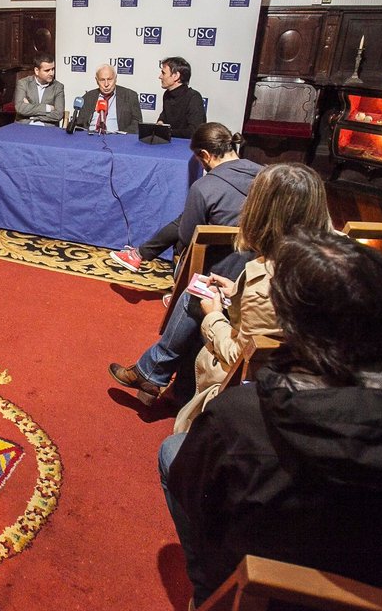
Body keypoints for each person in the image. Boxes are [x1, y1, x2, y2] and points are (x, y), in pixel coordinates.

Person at [159, 231, 382, 608]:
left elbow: (192, 489)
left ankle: (211, 600)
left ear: (291, 327)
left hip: (271, 608)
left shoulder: (240, 416)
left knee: (174, 451)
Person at [109, 163, 329, 406]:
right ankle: (160, 378)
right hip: (316, 364)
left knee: (197, 306)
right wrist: (235, 291)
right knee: (196, 296)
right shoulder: (329, 252)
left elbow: (242, 357)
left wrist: (214, 317)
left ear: (261, 213)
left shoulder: (268, 282)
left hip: (271, 382)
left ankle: (156, 376)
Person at [110, 123, 261, 273]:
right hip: (263, 265)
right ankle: (140, 254)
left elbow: (188, 238)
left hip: (218, 269)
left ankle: (181, 290)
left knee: (182, 235)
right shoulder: (268, 176)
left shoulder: (204, 187)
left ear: (205, 155)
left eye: (199, 161)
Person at [75, 64, 141, 134]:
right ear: (97, 81)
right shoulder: (88, 97)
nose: (106, 84)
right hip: (90, 137)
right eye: (102, 80)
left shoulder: (130, 96)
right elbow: (80, 123)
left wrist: (120, 136)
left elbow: (137, 123)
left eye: (109, 79)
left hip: (116, 139)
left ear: (115, 78)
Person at [156, 57, 205, 138]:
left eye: (163, 73)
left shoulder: (193, 97)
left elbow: (194, 131)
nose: (160, 76)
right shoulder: (167, 94)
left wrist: (167, 132)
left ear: (176, 76)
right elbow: (164, 115)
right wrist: (160, 122)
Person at [13, 53, 64, 127]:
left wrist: (33, 115)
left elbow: (58, 114)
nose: (51, 73)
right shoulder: (23, 83)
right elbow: (20, 108)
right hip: (24, 126)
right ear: (37, 70)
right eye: (47, 70)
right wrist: (47, 108)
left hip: (47, 128)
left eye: (53, 69)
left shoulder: (58, 87)